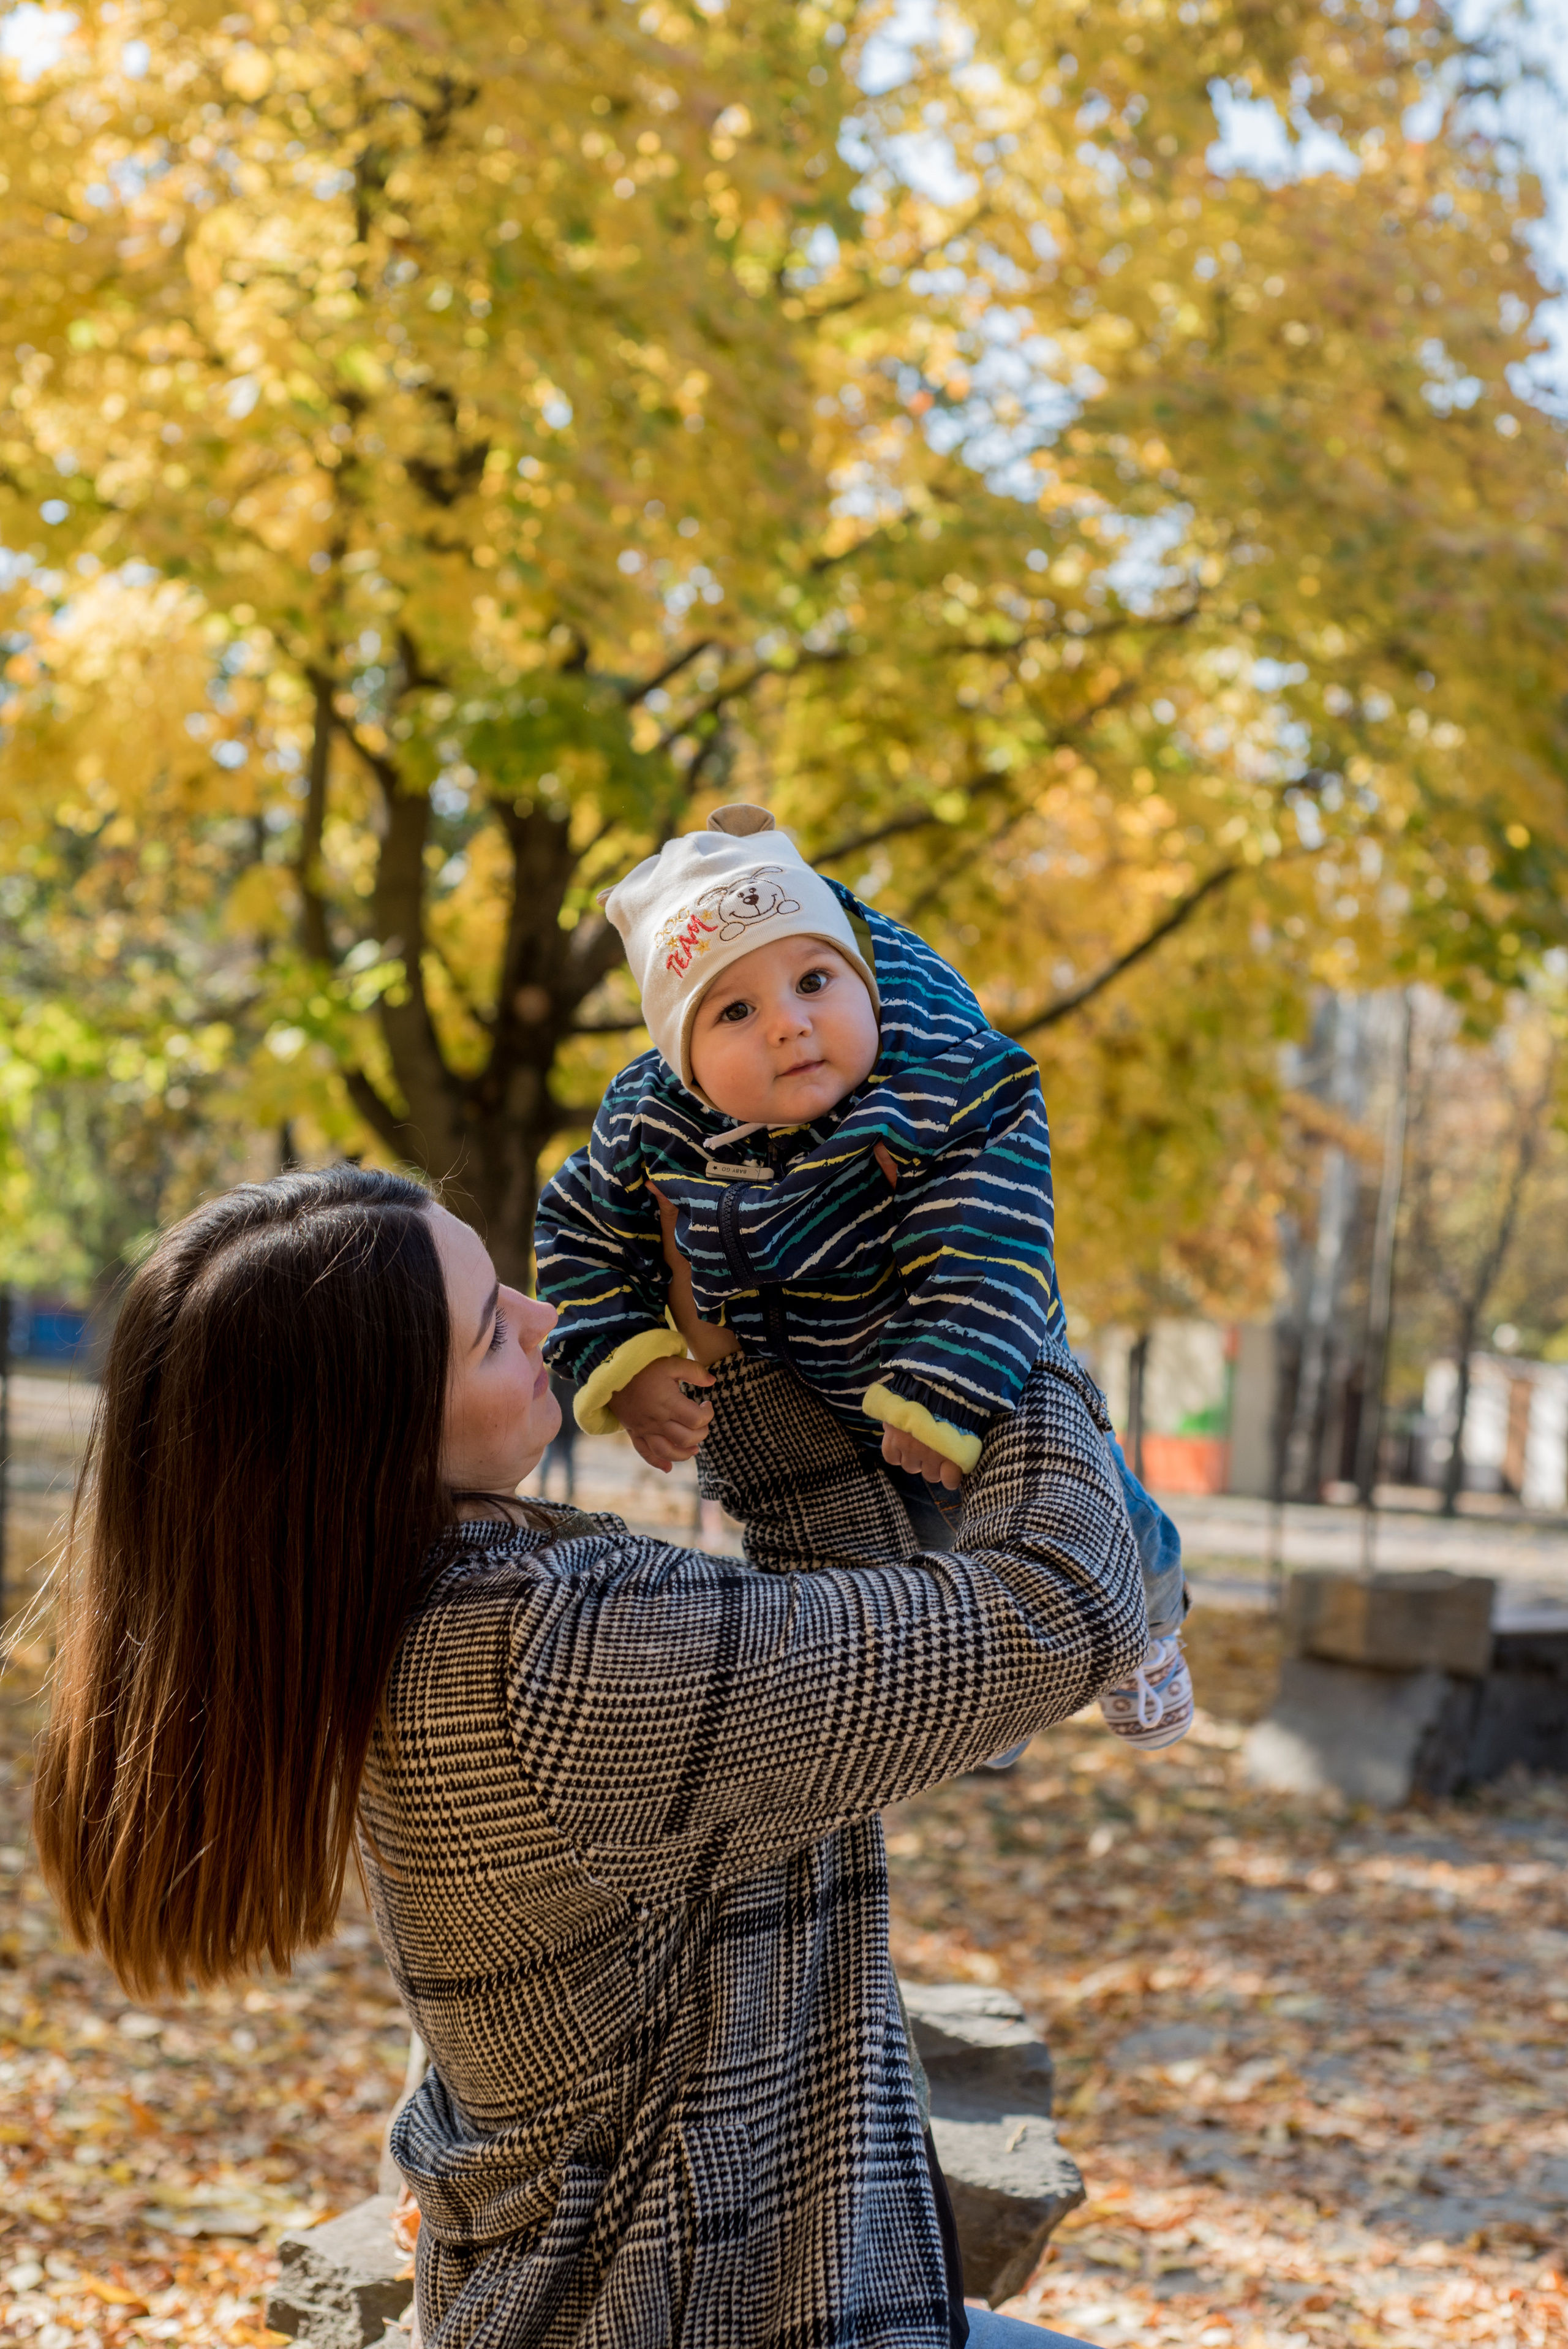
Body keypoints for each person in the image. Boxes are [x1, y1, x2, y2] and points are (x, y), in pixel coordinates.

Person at [33, 1164, 1144, 2347]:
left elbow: (833, 1626)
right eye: (489, 1334)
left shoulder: (394, 1616)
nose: (546, 1321)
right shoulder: (557, 1658)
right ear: (378, 1433)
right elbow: (1065, 1607)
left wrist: (739, 1354)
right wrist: (1002, 1313)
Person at [535, 804, 1189, 1753]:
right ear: (682, 1060)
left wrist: (943, 1383)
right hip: (816, 1401)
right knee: (909, 1576)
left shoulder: (939, 1077)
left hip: (978, 1355)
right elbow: (580, 1233)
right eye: (735, 1011)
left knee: (1091, 1506)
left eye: (813, 980)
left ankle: (1152, 1625)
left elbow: (989, 1233)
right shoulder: (650, 1125)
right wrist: (630, 1360)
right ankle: (982, 1710)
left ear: (861, 976)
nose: (790, 1026)